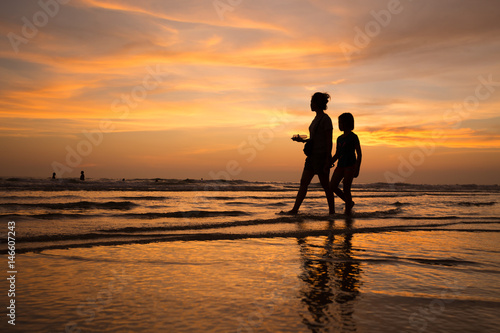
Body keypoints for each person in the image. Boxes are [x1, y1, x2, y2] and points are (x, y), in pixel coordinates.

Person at [285, 92, 335, 215]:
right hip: (312, 156)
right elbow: (315, 139)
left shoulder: (326, 119)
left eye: (312, 102)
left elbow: (329, 140)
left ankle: (332, 212)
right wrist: (302, 140)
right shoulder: (315, 119)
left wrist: (328, 159)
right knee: (304, 182)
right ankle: (295, 210)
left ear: (317, 103)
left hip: (321, 156)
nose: (310, 104)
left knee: (325, 186)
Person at [330, 113, 362, 214]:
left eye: (341, 123)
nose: (339, 125)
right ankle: (349, 202)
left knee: (346, 188)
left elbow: (359, 154)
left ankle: (347, 212)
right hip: (340, 165)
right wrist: (329, 162)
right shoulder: (339, 138)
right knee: (332, 186)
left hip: (350, 166)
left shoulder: (353, 137)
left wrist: (357, 168)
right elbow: (337, 154)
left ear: (347, 123)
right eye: (339, 123)